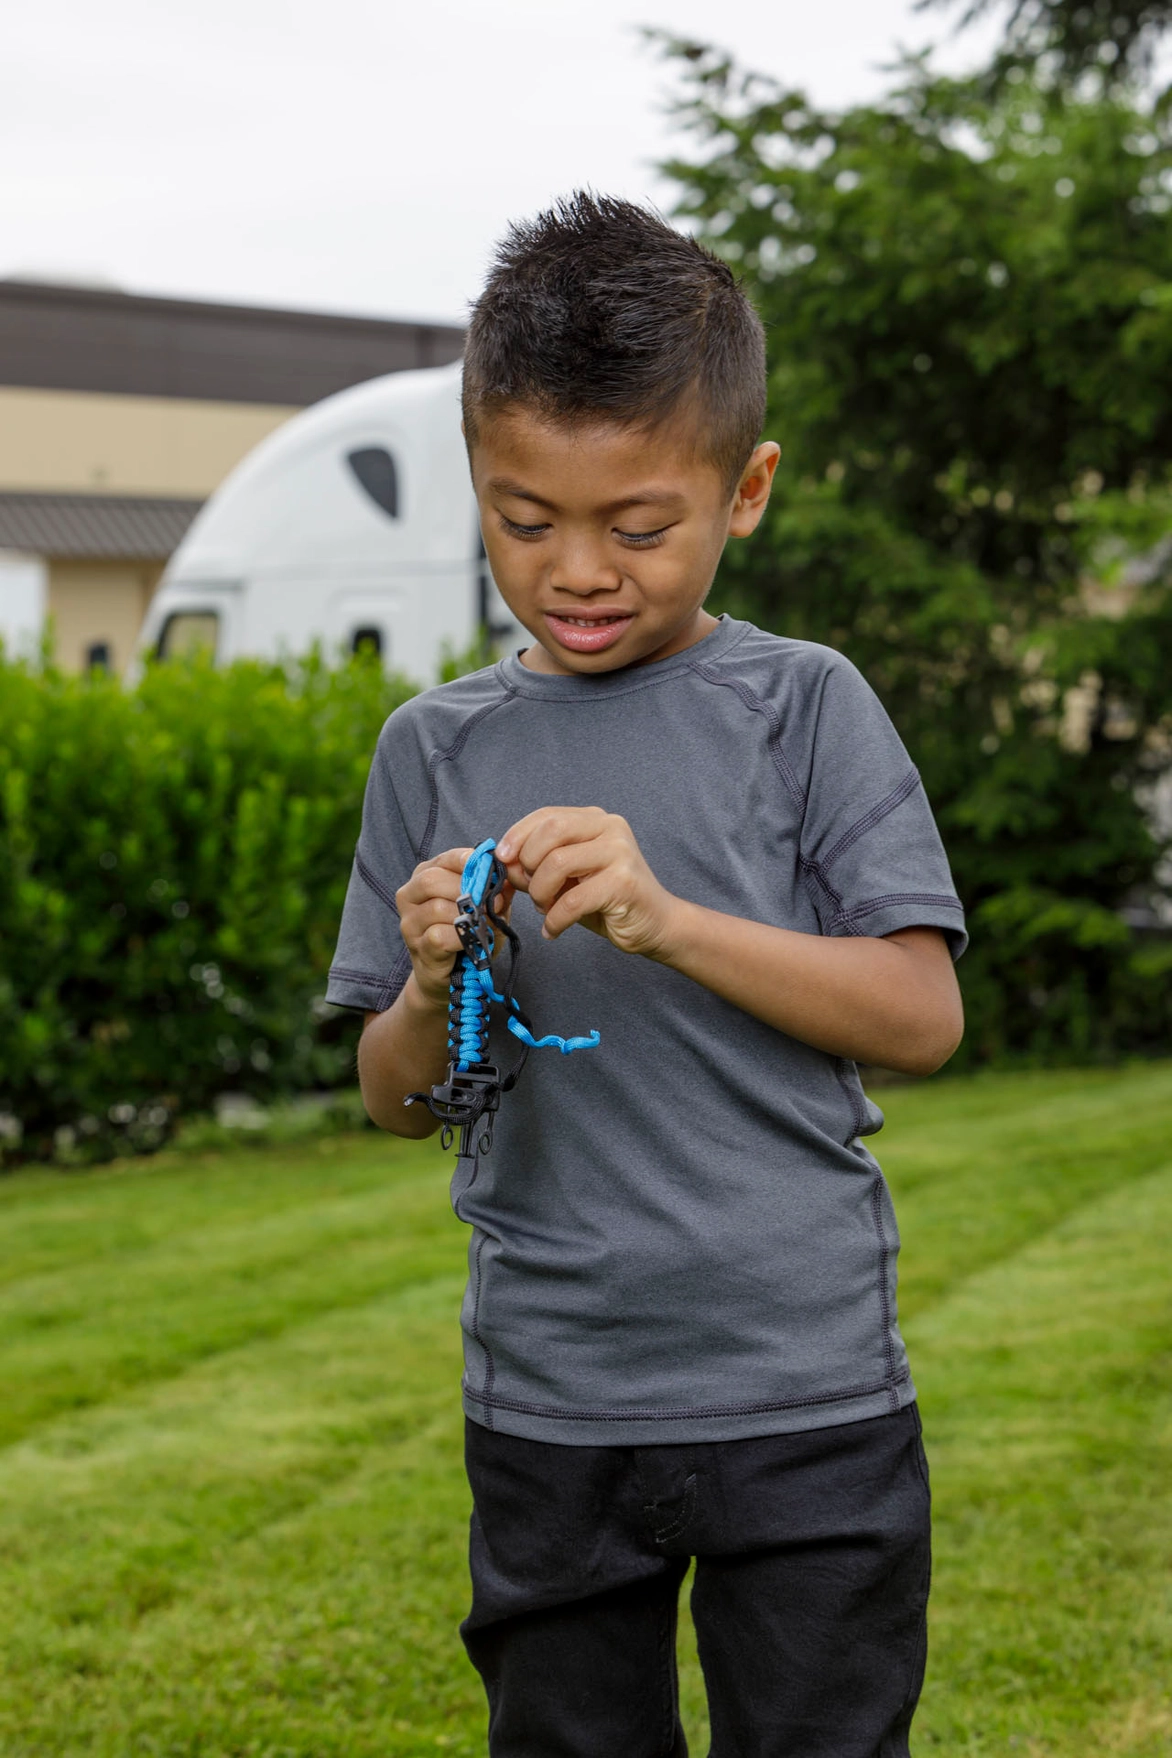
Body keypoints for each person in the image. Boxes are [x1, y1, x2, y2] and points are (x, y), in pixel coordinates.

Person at [326, 191, 966, 1758]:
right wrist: (423, 984)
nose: (578, 569)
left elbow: (921, 1013)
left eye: (637, 524)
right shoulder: (435, 747)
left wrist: (665, 917)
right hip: (551, 1396)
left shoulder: (807, 706)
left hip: (805, 1385)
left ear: (744, 492)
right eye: (524, 520)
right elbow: (396, 1101)